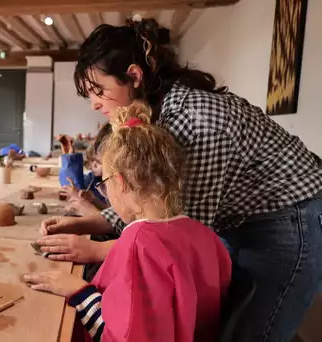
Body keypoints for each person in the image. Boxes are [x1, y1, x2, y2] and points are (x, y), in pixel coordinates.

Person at [37, 18, 322, 342]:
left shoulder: (194, 123)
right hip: (242, 218)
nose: (95, 103)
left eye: (98, 90)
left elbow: (174, 240)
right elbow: (149, 205)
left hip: (293, 215)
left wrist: (93, 251)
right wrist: (82, 226)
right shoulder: (159, 116)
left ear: (133, 75)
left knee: (253, 331)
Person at [24, 103, 232, 341]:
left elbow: (121, 336)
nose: (106, 192)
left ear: (120, 182)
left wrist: (77, 290)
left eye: (104, 183)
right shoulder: (206, 235)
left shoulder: (137, 245)